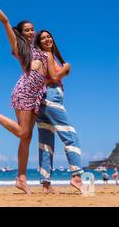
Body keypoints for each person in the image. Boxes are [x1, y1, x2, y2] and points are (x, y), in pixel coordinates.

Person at [0, 0, 50, 194]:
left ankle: (21, 179)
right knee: (23, 132)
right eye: (27, 30)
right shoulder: (19, 48)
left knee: (26, 138)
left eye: (33, 29)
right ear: (21, 33)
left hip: (36, 97)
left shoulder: (39, 51)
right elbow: (5, 21)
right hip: (23, 93)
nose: (31, 32)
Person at [34, 30, 84, 194]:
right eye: (43, 38)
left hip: (42, 101)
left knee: (46, 143)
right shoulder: (47, 55)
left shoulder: (41, 56)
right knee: (70, 136)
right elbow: (54, 77)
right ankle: (76, 176)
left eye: (49, 37)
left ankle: (46, 185)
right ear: (39, 43)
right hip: (51, 98)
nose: (47, 39)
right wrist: (66, 69)